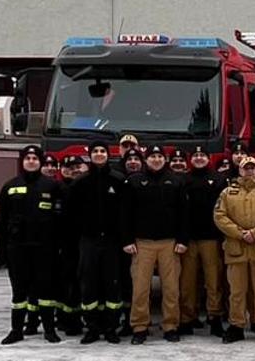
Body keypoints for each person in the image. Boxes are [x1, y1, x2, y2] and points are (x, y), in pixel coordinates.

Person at [0, 145, 64, 345]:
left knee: (46, 290)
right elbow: (2, 218)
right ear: (22, 161)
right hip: (18, 247)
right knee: (19, 291)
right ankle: (16, 330)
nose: (31, 161)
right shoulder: (10, 186)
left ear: (40, 161)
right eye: (28, 158)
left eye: (35, 158)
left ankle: (49, 330)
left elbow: (60, 217)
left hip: (45, 247)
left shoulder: (52, 186)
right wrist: (5, 248)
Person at [123, 146, 190, 343]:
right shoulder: (134, 181)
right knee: (140, 289)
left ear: (165, 159)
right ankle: (139, 326)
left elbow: (184, 213)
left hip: (169, 243)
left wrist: (182, 240)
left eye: (160, 156)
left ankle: (171, 325)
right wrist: (127, 240)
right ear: (146, 159)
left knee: (171, 289)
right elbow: (125, 213)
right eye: (152, 156)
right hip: (142, 243)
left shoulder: (176, 181)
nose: (156, 159)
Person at [213, 155, 255, 343]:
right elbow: (219, 216)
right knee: (237, 291)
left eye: (253, 168)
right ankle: (236, 326)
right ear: (240, 170)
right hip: (236, 247)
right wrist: (239, 233)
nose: (249, 171)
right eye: (246, 168)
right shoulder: (227, 193)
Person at [69, 143, 127, 345]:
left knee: (112, 284)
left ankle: (111, 328)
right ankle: (92, 328)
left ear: (108, 154)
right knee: (89, 285)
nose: (99, 154)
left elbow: (125, 213)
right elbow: (72, 215)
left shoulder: (118, 180)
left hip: (112, 242)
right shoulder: (80, 182)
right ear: (90, 155)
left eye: (103, 151)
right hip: (89, 241)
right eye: (96, 151)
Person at [180, 147, 227, 337]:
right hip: (189, 239)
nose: (199, 158)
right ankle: (187, 318)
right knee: (187, 282)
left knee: (213, 281)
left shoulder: (219, 179)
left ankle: (215, 318)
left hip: (211, 239)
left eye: (202, 156)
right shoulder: (183, 180)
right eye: (196, 155)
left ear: (209, 158)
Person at [53, 155, 88, 336]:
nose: (74, 170)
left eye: (77, 166)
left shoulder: (88, 186)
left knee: (86, 282)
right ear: (63, 170)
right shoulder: (58, 189)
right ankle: (67, 320)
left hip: (87, 242)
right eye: (70, 168)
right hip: (66, 244)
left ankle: (84, 318)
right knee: (67, 283)